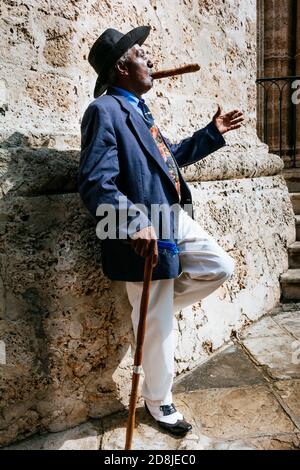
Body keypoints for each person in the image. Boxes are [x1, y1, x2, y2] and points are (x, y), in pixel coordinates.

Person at [79, 25, 244, 436]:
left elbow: (169, 159)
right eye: (140, 54)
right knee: (157, 321)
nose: (149, 60)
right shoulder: (104, 111)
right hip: (144, 229)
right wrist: (134, 222)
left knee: (218, 266)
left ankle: (153, 319)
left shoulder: (139, 110)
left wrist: (212, 134)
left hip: (171, 218)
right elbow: (97, 182)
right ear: (121, 67)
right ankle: (159, 400)